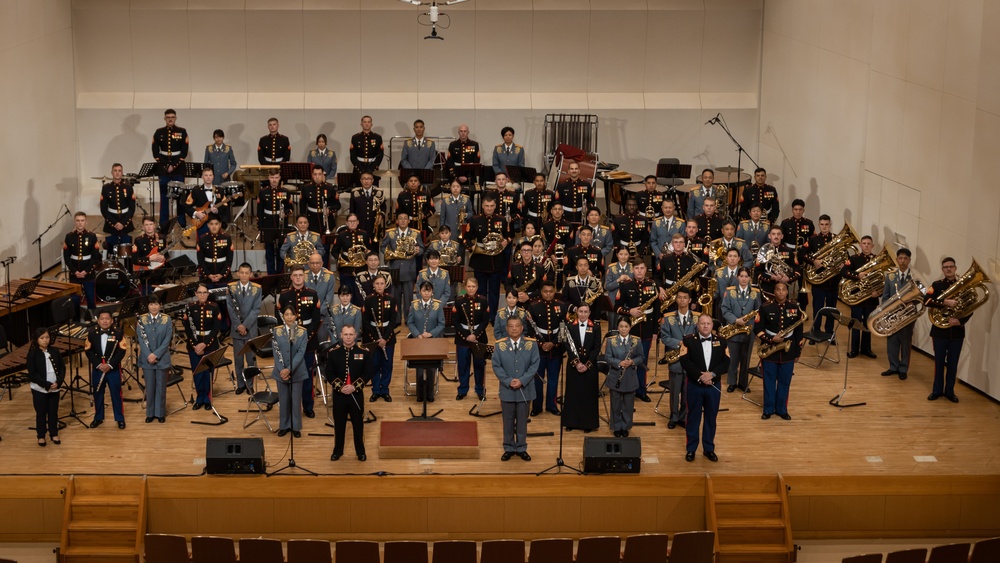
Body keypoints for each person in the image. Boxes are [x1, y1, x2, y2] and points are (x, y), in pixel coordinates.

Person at [680, 313, 730, 462]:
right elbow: (684, 361)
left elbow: (726, 362)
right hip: (695, 385)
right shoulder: (688, 340)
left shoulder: (722, 341)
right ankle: (691, 449)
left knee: (711, 418)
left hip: (714, 386)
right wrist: (701, 376)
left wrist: (712, 375)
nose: (705, 326)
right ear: (698, 325)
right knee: (693, 418)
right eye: (702, 323)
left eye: (708, 323)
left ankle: (708, 449)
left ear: (712, 325)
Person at [925, 257, 972, 403]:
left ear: (955, 268)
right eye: (946, 267)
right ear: (942, 270)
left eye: (951, 266)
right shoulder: (937, 285)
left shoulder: (964, 286)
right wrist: (945, 302)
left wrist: (960, 321)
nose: (949, 269)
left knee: (953, 364)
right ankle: (936, 390)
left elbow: (970, 307)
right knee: (938, 363)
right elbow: (926, 300)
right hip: (939, 331)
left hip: (957, 332)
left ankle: (950, 391)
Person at [755, 282, 804, 420]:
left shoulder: (795, 308)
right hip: (770, 350)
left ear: (787, 292)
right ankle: (768, 409)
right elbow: (757, 329)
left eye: (783, 290)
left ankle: (782, 409)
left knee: (785, 382)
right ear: (774, 292)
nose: (781, 292)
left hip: (788, 352)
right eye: (778, 290)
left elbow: (799, 332)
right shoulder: (765, 308)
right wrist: (771, 339)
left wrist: (798, 352)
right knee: (769, 382)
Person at [493, 317, 539, 461]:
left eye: (517, 326)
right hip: (507, 390)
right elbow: (496, 366)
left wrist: (522, 380)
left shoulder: (531, 345)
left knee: (522, 421)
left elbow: (534, 365)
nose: (514, 329)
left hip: (525, 390)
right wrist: (508, 381)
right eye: (511, 326)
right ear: (506, 329)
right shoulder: (500, 345)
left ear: (522, 328)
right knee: (507, 421)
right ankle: (508, 447)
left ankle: (521, 447)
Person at [278, 265, 322, 417]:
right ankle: (291, 407)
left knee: (307, 376)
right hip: (289, 342)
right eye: (295, 275)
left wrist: (305, 338)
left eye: (300, 275)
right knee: (290, 375)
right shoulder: (284, 296)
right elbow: (280, 319)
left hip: (309, 341)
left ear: (304, 277)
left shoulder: (312, 294)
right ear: (291, 277)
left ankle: (308, 407)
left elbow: (316, 320)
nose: (298, 278)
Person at [614, 261, 660, 402]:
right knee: (627, 359)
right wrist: (630, 311)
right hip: (630, 328)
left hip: (647, 328)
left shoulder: (652, 285)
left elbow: (657, 310)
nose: (639, 271)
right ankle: (627, 388)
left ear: (646, 269)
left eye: (642, 268)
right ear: (632, 269)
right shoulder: (625, 285)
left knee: (642, 361)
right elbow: (617, 307)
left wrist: (655, 331)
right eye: (636, 268)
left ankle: (641, 390)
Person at [326, 325, 371, 461]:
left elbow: (367, 373)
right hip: (339, 395)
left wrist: (354, 387)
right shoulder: (333, 353)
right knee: (339, 425)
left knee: (358, 425)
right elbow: (329, 373)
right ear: (341, 335)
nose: (348, 337)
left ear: (355, 335)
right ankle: (338, 451)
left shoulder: (364, 352)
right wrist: (340, 387)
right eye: (345, 334)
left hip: (356, 394)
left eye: (351, 334)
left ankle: (360, 451)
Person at [464, 195, 511, 321]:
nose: (489, 208)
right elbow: (466, 238)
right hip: (480, 260)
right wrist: (471, 248)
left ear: (495, 206)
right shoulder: (475, 220)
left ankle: (492, 317)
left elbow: (509, 236)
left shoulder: (502, 220)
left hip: (496, 261)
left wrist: (506, 241)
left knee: (494, 292)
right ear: (482, 206)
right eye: (486, 206)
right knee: (481, 292)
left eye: (491, 206)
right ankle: (481, 316)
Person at [660, 287, 698, 429]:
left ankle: (683, 417)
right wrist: (679, 343)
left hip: (691, 361)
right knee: (674, 392)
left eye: (685, 297)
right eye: (679, 297)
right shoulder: (667, 318)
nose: (682, 300)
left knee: (687, 392)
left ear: (689, 300)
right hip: (675, 360)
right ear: (676, 299)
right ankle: (674, 416)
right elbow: (664, 338)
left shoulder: (697, 317)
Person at [527, 281, 567, 415]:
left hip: (556, 349)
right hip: (538, 349)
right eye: (545, 291)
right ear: (541, 292)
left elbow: (564, 329)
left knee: (553, 379)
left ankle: (552, 406)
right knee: (537, 379)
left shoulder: (561, 306)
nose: (548, 294)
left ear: (555, 291)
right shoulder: (533, 306)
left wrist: (554, 343)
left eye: (551, 291)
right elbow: (529, 329)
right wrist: (540, 343)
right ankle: (536, 407)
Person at [720, 268, 761, 392]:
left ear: (750, 278)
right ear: (737, 277)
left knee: (745, 358)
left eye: (746, 276)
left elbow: (758, 312)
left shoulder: (756, 292)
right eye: (741, 276)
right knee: (732, 358)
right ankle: (732, 382)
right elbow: (725, 310)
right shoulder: (729, 292)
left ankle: (743, 383)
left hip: (749, 331)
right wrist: (735, 320)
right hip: (733, 330)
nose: (744, 279)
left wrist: (753, 325)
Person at [85, 310, 128, 429]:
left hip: (112, 369)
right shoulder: (92, 334)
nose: (105, 321)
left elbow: (121, 351)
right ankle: (98, 417)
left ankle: (120, 418)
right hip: (98, 369)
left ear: (112, 320)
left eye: (107, 318)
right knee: (98, 394)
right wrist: (99, 365)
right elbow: (88, 351)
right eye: (102, 319)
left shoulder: (118, 333)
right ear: (98, 321)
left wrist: (110, 365)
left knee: (116, 393)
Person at [183, 284, 222, 411]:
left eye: (204, 292)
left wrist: (205, 344)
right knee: (197, 372)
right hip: (194, 346)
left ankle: (208, 399)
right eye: (200, 293)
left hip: (210, 345)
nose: (202, 295)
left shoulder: (214, 307)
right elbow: (188, 329)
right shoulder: (189, 308)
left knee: (208, 372)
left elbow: (216, 328)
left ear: (208, 294)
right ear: (196, 294)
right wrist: (195, 345)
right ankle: (200, 398)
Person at [563, 303, 601, 432]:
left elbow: (596, 348)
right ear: (577, 312)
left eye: (586, 312)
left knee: (588, 395)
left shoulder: (595, 327)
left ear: (590, 313)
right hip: (574, 365)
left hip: (589, 366)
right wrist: (577, 363)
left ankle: (588, 424)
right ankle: (571, 422)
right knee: (573, 393)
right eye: (581, 311)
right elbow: (567, 346)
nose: (583, 314)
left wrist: (587, 364)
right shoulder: (569, 326)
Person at [605, 317, 645, 437]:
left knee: (628, 405)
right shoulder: (611, 341)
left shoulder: (636, 341)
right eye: (621, 326)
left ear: (630, 327)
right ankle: (616, 427)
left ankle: (625, 427)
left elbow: (641, 357)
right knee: (615, 404)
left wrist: (632, 361)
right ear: (618, 327)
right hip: (615, 376)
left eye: (626, 326)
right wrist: (619, 362)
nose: (623, 329)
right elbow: (607, 357)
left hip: (629, 376)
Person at [840, 235, 879, 359]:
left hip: (871, 298)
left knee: (869, 324)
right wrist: (858, 275)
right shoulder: (854, 258)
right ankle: (854, 349)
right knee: (856, 323)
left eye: (868, 243)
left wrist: (878, 292)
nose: (866, 245)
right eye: (864, 243)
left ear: (872, 246)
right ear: (860, 245)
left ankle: (866, 349)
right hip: (857, 297)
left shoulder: (877, 260)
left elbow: (882, 279)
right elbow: (843, 271)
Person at [406, 282, 446, 402]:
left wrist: (431, 334)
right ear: (420, 292)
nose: (426, 293)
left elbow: (441, 324)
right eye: (424, 290)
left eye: (429, 291)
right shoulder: (414, 305)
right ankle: (419, 394)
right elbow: (410, 322)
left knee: (431, 368)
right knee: (419, 368)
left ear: (432, 292)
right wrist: (417, 334)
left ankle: (430, 394)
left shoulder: (438, 306)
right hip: (418, 341)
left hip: (432, 341)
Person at [879, 248, 914, 381]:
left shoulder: (914, 277)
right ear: (897, 259)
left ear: (909, 260)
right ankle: (893, 366)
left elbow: (920, 297)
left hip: (908, 315)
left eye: (905, 258)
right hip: (893, 315)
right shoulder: (890, 276)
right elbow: (885, 296)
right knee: (892, 341)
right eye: (900, 258)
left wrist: (912, 304)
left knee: (905, 342)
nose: (903, 261)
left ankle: (903, 368)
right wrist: (887, 310)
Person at [381, 212, 424, 321]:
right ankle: (397, 319)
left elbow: (422, 248)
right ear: (397, 221)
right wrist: (390, 253)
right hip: (395, 269)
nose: (403, 220)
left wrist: (418, 250)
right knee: (395, 297)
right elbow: (382, 247)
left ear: (409, 221)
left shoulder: (415, 233)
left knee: (409, 298)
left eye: (405, 218)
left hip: (409, 270)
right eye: (400, 218)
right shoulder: (390, 233)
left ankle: (409, 319)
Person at [228, 263, 263, 395]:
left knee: (250, 359)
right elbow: (230, 309)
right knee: (238, 359)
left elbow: (256, 309)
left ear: (250, 274)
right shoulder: (231, 288)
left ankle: (250, 385)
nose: (243, 275)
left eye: (246, 273)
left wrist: (245, 325)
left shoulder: (257, 289)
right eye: (241, 272)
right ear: (237, 273)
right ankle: (240, 384)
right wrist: (239, 325)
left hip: (250, 329)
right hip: (237, 329)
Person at [273, 305, 307, 438]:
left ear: (296, 316)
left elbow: (301, 352)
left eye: (291, 314)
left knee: (295, 400)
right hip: (280, 372)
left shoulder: (302, 332)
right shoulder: (276, 331)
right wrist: (282, 370)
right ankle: (284, 425)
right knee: (284, 399)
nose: (288, 317)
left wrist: (289, 369)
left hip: (297, 371)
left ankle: (296, 426)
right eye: (286, 314)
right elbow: (276, 352)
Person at [136, 296, 172, 423]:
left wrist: (156, 354)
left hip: (162, 358)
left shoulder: (167, 319)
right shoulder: (141, 319)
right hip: (147, 359)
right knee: (150, 387)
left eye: (156, 304)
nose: (154, 307)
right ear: (148, 306)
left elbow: (167, 340)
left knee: (161, 387)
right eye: (151, 304)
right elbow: (141, 339)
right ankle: (150, 413)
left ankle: (160, 413)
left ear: (160, 305)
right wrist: (149, 355)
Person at [362, 275, 398, 402]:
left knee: (387, 365)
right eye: (377, 283)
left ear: (385, 285)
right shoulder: (368, 300)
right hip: (373, 338)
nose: (379, 286)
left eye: (382, 283)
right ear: (373, 285)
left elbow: (393, 321)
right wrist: (376, 339)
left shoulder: (391, 299)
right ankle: (376, 390)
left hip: (388, 337)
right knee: (374, 365)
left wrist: (385, 339)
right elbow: (365, 322)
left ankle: (385, 390)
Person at [27, 328, 65, 446]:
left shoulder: (55, 351)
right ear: (36, 340)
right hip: (40, 389)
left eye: (47, 337)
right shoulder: (32, 354)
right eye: (42, 338)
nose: (45, 340)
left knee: (53, 412)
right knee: (41, 413)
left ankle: (54, 433)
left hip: (55, 387)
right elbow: (33, 374)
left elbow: (62, 368)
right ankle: (41, 436)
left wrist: (58, 382)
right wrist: (47, 385)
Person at [152, 109, 188, 231]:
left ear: (176, 118)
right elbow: (155, 152)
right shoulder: (158, 132)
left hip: (178, 168)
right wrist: (166, 165)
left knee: (180, 196)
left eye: (172, 117)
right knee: (164, 196)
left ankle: (182, 223)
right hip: (163, 169)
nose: (170, 119)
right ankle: (163, 224)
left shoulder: (182, 132)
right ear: (165, 119)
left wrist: (174, 165)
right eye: (168, 117)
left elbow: (184, 151)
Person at [454, 277, 489, 401]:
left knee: (479, 365)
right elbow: (456, 322)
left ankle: (480, 390)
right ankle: (463, 390)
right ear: (465, 287)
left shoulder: (483, 301)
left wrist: (475, 335)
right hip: (463, 338)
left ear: (477, 287)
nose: (471, 289)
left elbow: (485, 321)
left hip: (479, 338)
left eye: (473, 286)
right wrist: (466, 335)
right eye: (469, 286)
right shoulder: (458, 301)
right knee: (463, 365)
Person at [804, 214, 841, 335]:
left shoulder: (837, 239)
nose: (824, 227)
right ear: (819, 225)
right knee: (818, 308)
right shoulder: (813, 239)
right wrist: (813, 261)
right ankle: (816, 331)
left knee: (832, 310)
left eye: (826, 224)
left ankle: (829, 333)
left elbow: (845, 257)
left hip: (832, 282)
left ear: (830, 225)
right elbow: (801, 254)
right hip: (818, 282)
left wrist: (842, 265)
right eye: (822, 224)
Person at [63, 211, 101, 308]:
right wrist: (74, 271)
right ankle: (76, 320)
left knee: (90, 298)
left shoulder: (92, 236)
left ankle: (92, 318)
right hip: (74, 273)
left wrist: (86, 271)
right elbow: (67, 257)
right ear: (75, 222)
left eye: (82, 220)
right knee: (74, 299)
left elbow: (95, 256)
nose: (80, 223)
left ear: (86, 222)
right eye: (78, 220)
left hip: (88, 272)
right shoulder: (69, 236)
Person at [257, 169, 291, 275]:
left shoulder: (285, 191)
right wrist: (261, 227)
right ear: (268, 178)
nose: (274, 180)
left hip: (281, 223)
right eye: (272, 178)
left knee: (282, 250)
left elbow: (290, 208)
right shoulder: (263, 192)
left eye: (276, 177)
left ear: (279, 178)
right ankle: (271, 275)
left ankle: (280, 274)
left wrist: (285, 213)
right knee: (269, 251)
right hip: (268, 223)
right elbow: (259, 211)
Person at [331, 213, 373, 299]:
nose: (352, 223)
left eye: (354, 221)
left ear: (358, 222)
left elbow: (370, 250)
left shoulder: (364, 234)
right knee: (346, 292)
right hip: (346, 269)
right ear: (346, 223)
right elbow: (334, 251)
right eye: (350, 221)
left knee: (360, 294)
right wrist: (340, 259)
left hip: (361, 268)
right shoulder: (341, 235)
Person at [100, 163, 136, 250]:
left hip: (126, 222)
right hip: (111, 223)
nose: (117, 173)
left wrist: (123, 223)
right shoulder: (106, 188)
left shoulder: (128, 187)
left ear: (122, 172)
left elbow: (132, 208)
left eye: (119, 171)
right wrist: (114, 223)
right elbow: (103, 209)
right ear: (111, 172)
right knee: (111, 250)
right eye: (115, 170)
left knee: (127, 250)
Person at [195, 215, 234, 294]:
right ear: (208, 225)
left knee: (225, 301)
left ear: (220, 225)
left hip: (223, 276)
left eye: (216, 224)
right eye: (211, 224)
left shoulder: (226, 238)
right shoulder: (202, 239)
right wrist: (208, 275)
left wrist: (221, 274)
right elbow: (200, 260)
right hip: (207, 276)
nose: (214, 226)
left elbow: (229, 259)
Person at [185, 168, 228, 238]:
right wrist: (196, 213)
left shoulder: (220, 191)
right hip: (201, 222)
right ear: (202, 177)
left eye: (210, 175)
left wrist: (217, 210)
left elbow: (225, 206)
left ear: (213, 177)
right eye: (206, 175)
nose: (208, 177)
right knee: (202, 244)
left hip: (215, 223)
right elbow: (186, 206)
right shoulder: (196, 191)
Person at [304, 253, 336, 343]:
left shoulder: (329, 276)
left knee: (322, 342)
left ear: (322, 263)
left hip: (323, 316)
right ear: (308, 264)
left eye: (317, 263)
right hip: (308, 316)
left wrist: (318, 311)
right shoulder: (304, 276)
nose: (315, 265)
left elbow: (329, 297)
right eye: (312, 263)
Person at [300, 166, 340, 237]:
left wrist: (329, 210)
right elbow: (302, 207)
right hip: (311, 219)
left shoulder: (330, 188)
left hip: (326, 219)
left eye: (319, 174)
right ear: (312, 175)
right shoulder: (306, 188)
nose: (317, 177)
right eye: (315, 174)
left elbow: (337, 205)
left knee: (326, 244)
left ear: (323, 175)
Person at [349, 172, 386, 239]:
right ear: (360, 180)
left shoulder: (379, 192)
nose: (366, 181)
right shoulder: (355, 193)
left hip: (374, 225)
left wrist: (381, 215)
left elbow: (383, 207)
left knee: (374, 247)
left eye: (369, 179)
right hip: (360, 225)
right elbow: (352, 210)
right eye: (364, 179)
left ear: (372, 180)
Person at [604, 247, 634, 329]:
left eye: (626, 254)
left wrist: (630, 281)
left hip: (627, 303)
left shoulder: (633, 268)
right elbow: (607, 286)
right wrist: (619, 280)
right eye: (621, 254)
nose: (623, 257)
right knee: (613, 326)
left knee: (626, 325)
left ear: (629, 255)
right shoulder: (611, 268)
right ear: (617, 255)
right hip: (614, 302)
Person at [508, 241, 545, 307]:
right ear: (520, 252)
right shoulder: (515, 266)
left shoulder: (539, 268)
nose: (526, 252)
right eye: (524, 250)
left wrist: (529, 296)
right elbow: (508, 284)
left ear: (532, 252)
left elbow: (542, 288)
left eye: (529, 250)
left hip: (535, 302)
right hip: (518, 301)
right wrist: (515, 294)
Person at [611, 198, 648, 263]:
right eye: (629, 205)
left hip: (637, 250)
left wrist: (639, 252)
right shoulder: (618, 219)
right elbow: (615, 237)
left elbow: (645, 239)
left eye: (634, 205)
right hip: (622, 249)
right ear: (625, 206)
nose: (632, 207)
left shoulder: (643, 220)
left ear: (637, 206)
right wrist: (621, 251)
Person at [350, 115, 385, 184]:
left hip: (373, 167)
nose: (366, 124)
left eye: (369, 122)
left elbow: (380, 155)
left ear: (371, 124)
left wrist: (371, 170)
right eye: (365, 122)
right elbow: (353, 156)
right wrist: (361, 170)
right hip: (359, 168)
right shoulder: (355, 137)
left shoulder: (377, 137)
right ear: (361, 124)